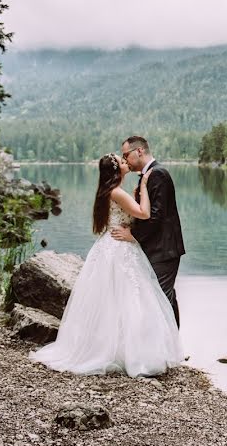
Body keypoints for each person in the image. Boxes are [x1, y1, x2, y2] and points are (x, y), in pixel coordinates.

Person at [30, 153, 183, 377]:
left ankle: (116, 348)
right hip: (120, 249)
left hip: (110, 247)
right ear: (116, 170)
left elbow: (127, 213)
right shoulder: (117, 192)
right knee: (129, 298)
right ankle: (130, 352)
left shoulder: (111, 192)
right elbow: (144, 213)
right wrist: (143, 190)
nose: (125, 162)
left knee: (114, 300)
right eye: (121, 162)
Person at [111, 136, 185, 327]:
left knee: (161, 297)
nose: (125, 159)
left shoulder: (158, 174)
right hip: (156, 247)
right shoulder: (150, 175)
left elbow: (156, 216)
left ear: (139, 151)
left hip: (164, 249)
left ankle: (171, 349)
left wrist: (132, 235)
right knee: (162, 295)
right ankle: (171, 347)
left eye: (126, 155)